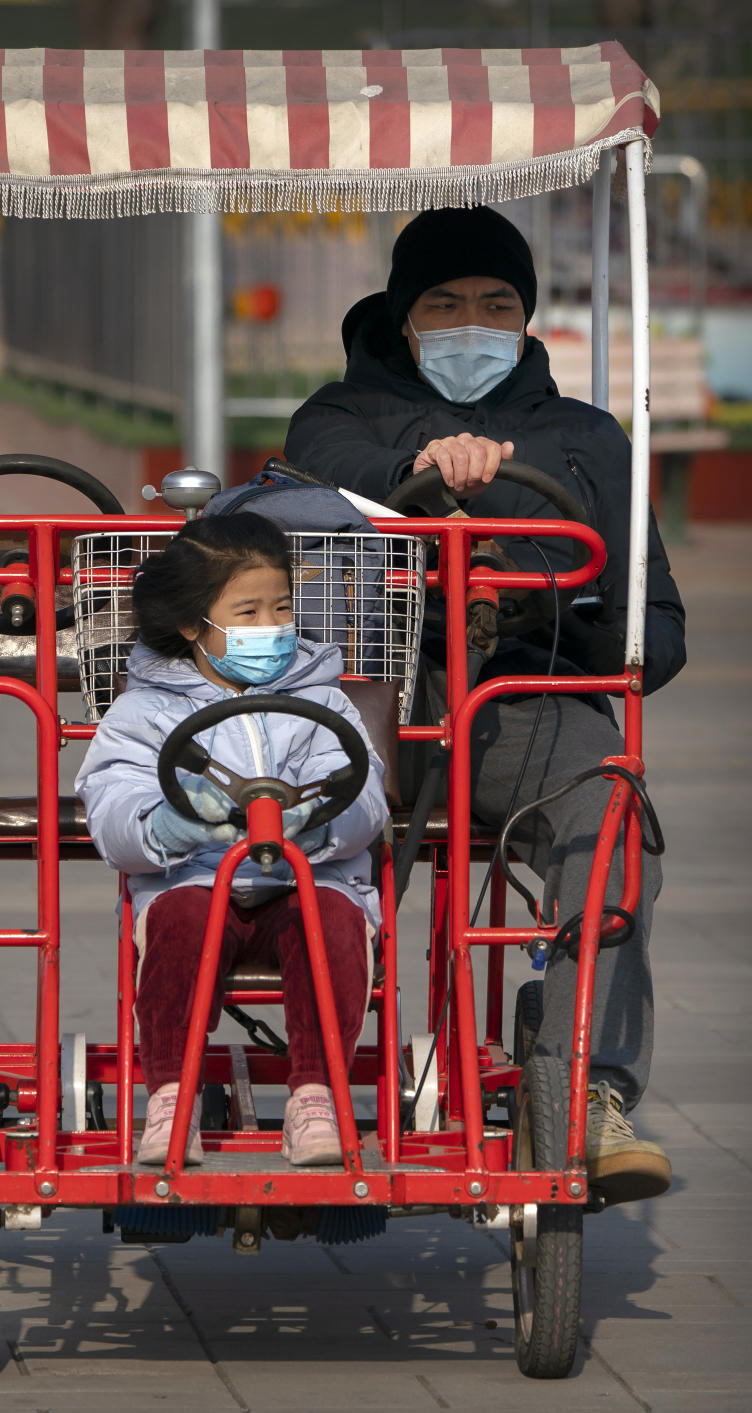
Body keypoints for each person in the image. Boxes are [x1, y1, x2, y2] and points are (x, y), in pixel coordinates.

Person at [284, 204, 687, 1205]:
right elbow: (336, 484)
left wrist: (556, 601)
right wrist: (426, 470)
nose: (474, 321)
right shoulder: (337, 418)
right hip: (370, 699)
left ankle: (586, 1084)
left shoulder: (589, 438)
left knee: (610, 804)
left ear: (527, 316)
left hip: (520, 703)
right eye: (447, 303)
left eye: (497, 303)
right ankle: (307, 1075)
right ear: (404, 317)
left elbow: (660, 633)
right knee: (278, 814)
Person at [75, 513, 388, 1167]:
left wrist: (324, 818)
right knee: (181, 921)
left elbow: (364, 793)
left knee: (331, 919)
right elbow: (111, 806)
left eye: (281, 608)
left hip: (306, 876)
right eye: (247, 611)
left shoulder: (323, 700)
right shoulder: (145, 711)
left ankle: (317, 1093)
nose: (270, 626)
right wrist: (166, 825)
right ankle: (172, 1095)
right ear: (194, 624)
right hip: (193, 876)